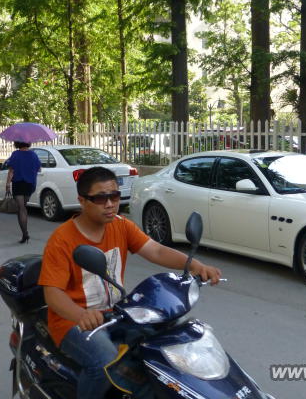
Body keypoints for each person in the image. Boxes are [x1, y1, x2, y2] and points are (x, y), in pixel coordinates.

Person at [38, 167, 221, 399]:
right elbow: (52, 293)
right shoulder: (62, 240)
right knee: (105, 362)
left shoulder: (120, 225)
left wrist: (195, 265)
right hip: (73, 322)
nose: (109, 204)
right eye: (100, 198)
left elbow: (155, 250)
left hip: (116, 313)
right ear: (82, 201)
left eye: (114, 196)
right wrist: (80, 315)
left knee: (169, 341)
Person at [5, 141, 42, 244]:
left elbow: (11, 171)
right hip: (30, 184)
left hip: (18, 183)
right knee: (23, 207)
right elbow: (39, 169)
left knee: (21, 209)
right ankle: (25, 233)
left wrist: (7, 184)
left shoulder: (15, 154)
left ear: (17, 143)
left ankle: (25, 234)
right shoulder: (33, 155)